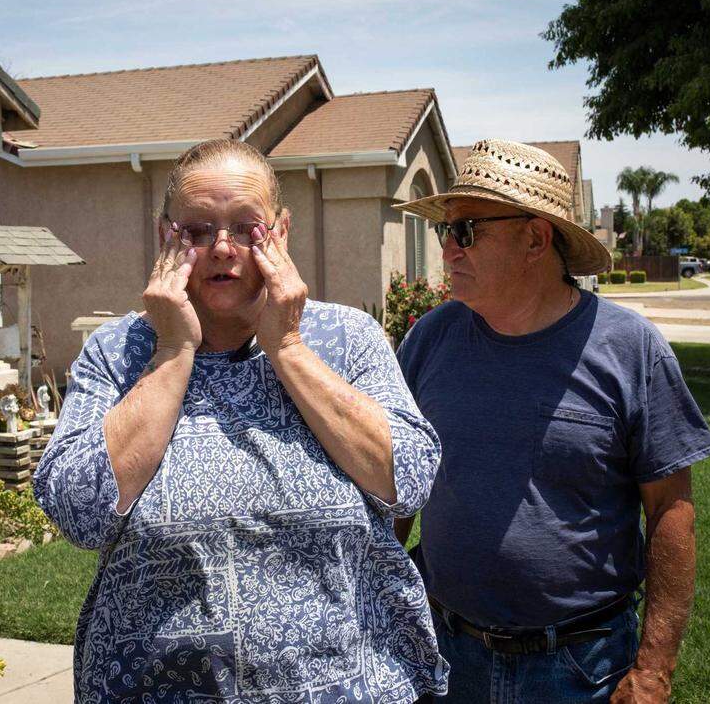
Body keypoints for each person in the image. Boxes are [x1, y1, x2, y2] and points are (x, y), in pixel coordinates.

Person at [34, 138, 448, 702]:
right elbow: (78, 512)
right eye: (198, 231)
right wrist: (174, 352)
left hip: (349, 685)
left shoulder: (348, 339)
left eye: (246, 227)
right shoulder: (119, 353)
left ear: (280, 231)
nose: (223, 248)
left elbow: (410, 480)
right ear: (165, 238)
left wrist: (289, 346)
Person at [393, 140, 710, 703]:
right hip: (446, 651)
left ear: (535, 239)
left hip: (579, 665)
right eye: (444, 232)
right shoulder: (429, 339)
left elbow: (670, 509)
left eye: (466, 231)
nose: (447, 250)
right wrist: (384, 605)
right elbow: (396, 481)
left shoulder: (630, 349)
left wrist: (655, 669)